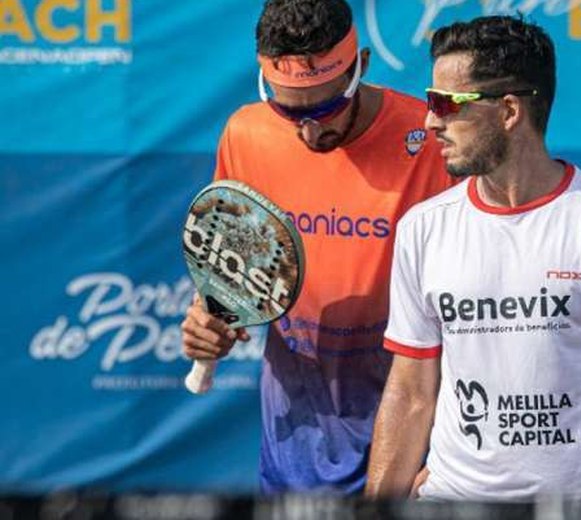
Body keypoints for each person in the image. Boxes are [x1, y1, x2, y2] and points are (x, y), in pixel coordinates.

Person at [365, 16, 581, 503]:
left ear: (509, 111)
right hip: (451, 501)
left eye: (445, 104)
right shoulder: (423, 227)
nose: (429, 120)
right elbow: (410, 392)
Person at [180, 0, 453, 494]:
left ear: (361, 66)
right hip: (292, 445)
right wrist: (207, 319)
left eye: (326, 109)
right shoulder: (245, 133)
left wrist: (452, 455)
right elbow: (229, 272)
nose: (309, 130)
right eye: (287, 111)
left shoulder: (433, 142)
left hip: (413, 444)